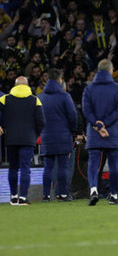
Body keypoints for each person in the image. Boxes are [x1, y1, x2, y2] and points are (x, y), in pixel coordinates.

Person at [82, 59, 118, 205]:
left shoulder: (89, 89)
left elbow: (86, 110)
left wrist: (98, 125)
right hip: (112, 131)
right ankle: (114, 195)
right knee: (114, 164)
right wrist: (105, 124)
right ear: (111, 71)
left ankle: (93, 190)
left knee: (93, 162)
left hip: (95, 131)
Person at [0, 76, 46, 205]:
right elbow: (41, 121)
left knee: (13, 167)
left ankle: (13, 196)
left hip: (11, 139)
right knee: (25, 167)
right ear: (27, 85)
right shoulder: (35, 100)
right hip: (28, 139)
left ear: (15, 85)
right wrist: (35, 135)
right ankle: (23, 197)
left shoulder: (4, 99)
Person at [38, 68, 78, 202]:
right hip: (63, 136)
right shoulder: (65, 96)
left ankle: (46, 195)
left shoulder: (40, 97)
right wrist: (73, 130)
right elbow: (73, 116)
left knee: (48, 167)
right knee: (63, 166)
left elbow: (37, 118)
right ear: (60, 80)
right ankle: (63, 194)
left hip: (46, 136)